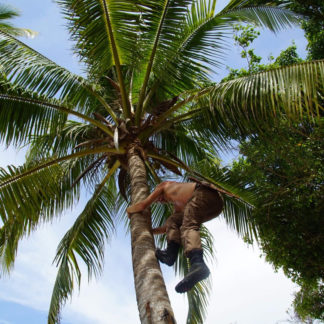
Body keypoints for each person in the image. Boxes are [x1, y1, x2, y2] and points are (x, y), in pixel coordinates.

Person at [127, 180, 224, 293]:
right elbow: (167, 227)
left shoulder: (164, 185)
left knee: (188, 226)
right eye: (158, 201)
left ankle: (198, 263)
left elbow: (142, 205)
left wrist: (129, 210)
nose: (159, 200)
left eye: (157, 197)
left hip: (203, 193)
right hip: (215, 206)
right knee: (174, 220)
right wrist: (149, 231)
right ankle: (170, 254)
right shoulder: (179, 204)